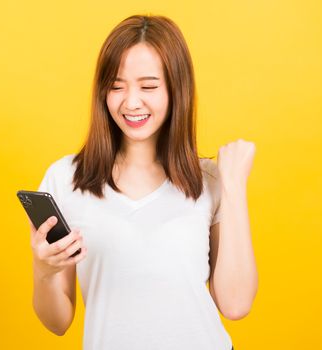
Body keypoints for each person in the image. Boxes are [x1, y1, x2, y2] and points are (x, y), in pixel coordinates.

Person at [26, 14, 258, 350]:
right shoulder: (65, 180)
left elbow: (236, 305)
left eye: (148, 86)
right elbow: (58, 322)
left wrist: (234, 186)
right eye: (116, 86)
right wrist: (43, 270)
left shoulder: (209, 180)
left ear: (177, 89)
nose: (131, 102)